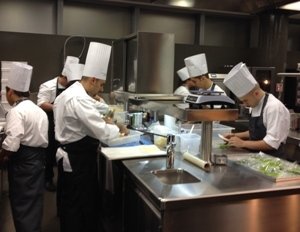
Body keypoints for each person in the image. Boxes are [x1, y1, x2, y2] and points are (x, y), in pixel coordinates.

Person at [53, 41, 129, 232]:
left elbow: (96, 106)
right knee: (77, 208)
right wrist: (119, 130)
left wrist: (112, 115)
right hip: (77, 162)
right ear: (93, 80)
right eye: (101, 85)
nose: (101, 90)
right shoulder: (78, 98)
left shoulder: (73, 92)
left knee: (72, 203)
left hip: (73, 158)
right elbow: (102, 132)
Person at [0, 62, 49, 232]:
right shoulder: (39, 111)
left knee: (22, 204)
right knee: (34, 204)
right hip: (38, 161)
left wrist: (2, 156)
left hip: (23, 164)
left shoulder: (17, 111)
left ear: (11, 91)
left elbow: (12, 143)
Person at [223, 62, 290, 158]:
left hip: (272, 161)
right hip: (256, 157)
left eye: (245, 100)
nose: (245, 104)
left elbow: (271, 143)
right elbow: (255, 132)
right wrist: (235, 136)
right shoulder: (255, 104)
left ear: (256, 93)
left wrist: (243, 143)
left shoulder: (273, 107)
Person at [37, 56, 79, 192]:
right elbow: (41, 103)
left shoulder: (72, 87)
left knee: (62, 152)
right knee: (49, 153)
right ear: (64, 76)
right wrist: (58, 107)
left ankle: (64, 179)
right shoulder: (47, 85)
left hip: (65, 123)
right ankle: (48, 179)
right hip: (50, 123)